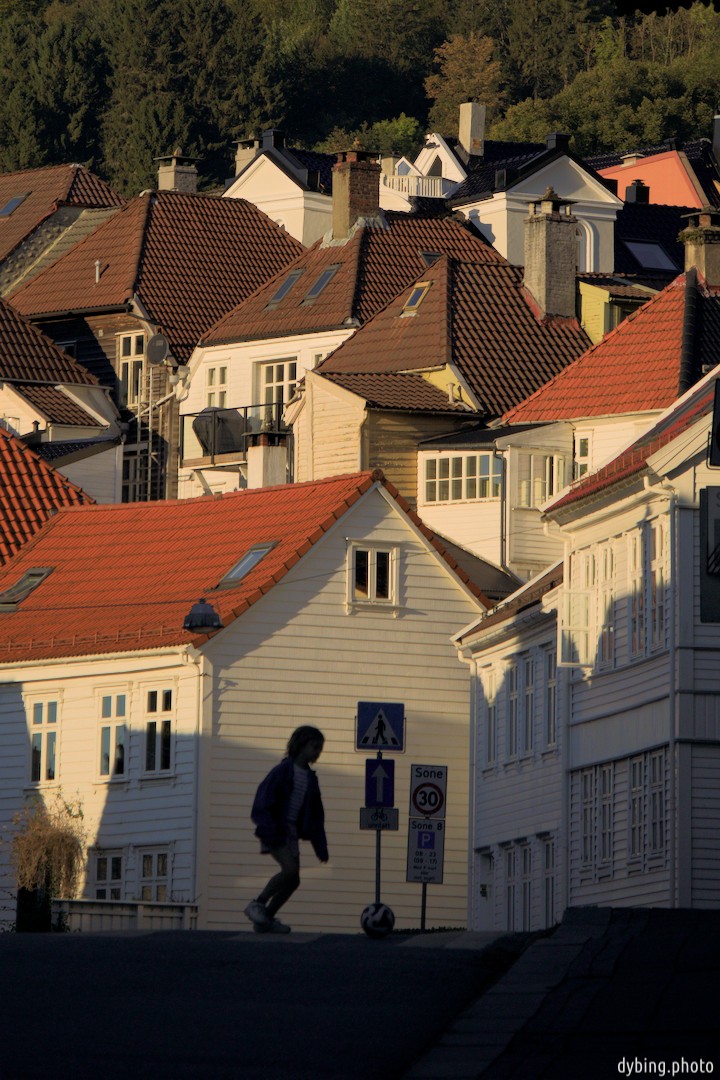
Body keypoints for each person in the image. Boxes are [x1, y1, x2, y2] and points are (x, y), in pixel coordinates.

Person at [244, 726, 328, 933]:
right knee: (289, 870)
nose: (317, 752)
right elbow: (263, 800)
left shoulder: (310, 778)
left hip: (290, 832)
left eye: (320, 748)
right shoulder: (282, 772)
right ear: (300, 745)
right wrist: (268, 827)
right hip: (274, 829)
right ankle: (258, 904)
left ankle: (266, 919)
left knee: (294, 880)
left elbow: (316, 816)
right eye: (314, 747)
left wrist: (321, 847)